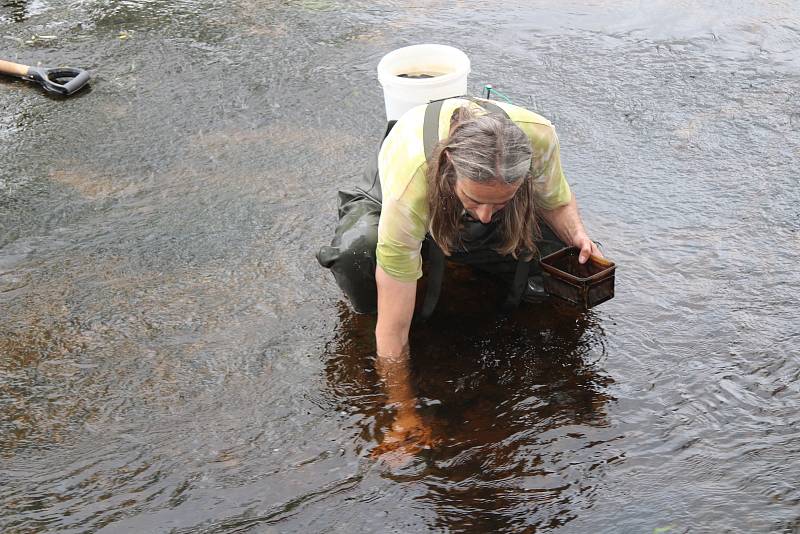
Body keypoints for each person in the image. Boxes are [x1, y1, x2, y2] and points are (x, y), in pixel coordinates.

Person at [317, 96, 602, 457]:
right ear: (450, 165)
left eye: (498, 204)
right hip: (394, 190)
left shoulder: (539, 136)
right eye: (475, 201)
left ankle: (483, 235)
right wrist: (403, 412)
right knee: (358, 253)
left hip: (479, 184)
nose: (485, 215)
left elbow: (556, 200)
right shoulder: (412, 180)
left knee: (557, 268)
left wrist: (578, 235)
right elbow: (392, 330)